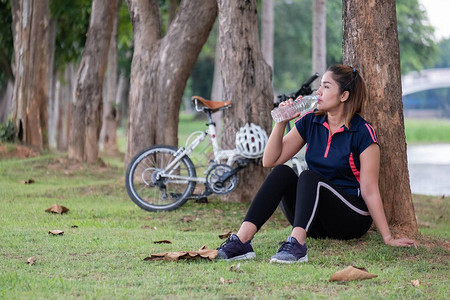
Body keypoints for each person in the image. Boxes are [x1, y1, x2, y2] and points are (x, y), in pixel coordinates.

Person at [216, 64, 417, 263]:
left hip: (350, 218)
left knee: (309, 176)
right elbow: (270, 160)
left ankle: (297, 245)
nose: (318, 92)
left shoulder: (362, 132)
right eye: (320, 86)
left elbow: (370, 190)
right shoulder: (311, 121)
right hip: (315, 221)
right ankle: (241, 241)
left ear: (344, 96)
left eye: (326, 87)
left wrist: (388, 237)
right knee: (283, 172)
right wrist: (281, 123)